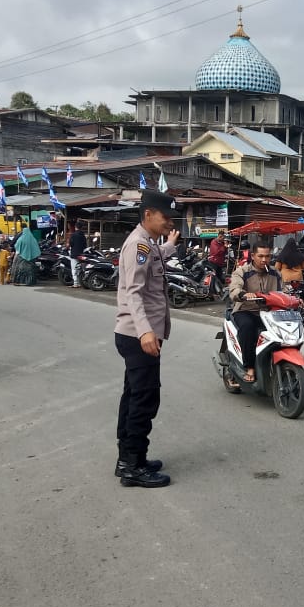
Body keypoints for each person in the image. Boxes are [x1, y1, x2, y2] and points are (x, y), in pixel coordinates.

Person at [114, 190, 181, 489]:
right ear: (149, 214)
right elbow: (133, 292)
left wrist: (169, 246)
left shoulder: (149, 243)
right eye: (166, 217)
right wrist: (145, 331)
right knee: (144, 400)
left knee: (133, 396)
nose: (170, 222)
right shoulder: (138, 244)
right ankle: (133, 467)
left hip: (137, 334)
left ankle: (128, 459)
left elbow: (154, 260)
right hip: (138, 335)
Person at [228, 241, 283, 384]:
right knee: (248, 327)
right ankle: (250, 367)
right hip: (246, 309)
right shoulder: (242, 271)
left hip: (268, 312)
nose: (264, 259)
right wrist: (243, 294)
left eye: (267, 256)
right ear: (253, 256)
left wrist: (295, 298)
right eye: (260, 256)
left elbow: (284, 291)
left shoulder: (275, 273)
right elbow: (234, 289)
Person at [68, 223, 87, 288]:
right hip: (82, 254)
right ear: (81, 228)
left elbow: (71, 244)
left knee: (74, 269)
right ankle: (80, 282)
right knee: (80, 268)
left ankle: (76, 283)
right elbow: (85, 245)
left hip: (74, 254)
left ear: (76, 227)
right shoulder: (83, 235)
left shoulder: (73, 235)